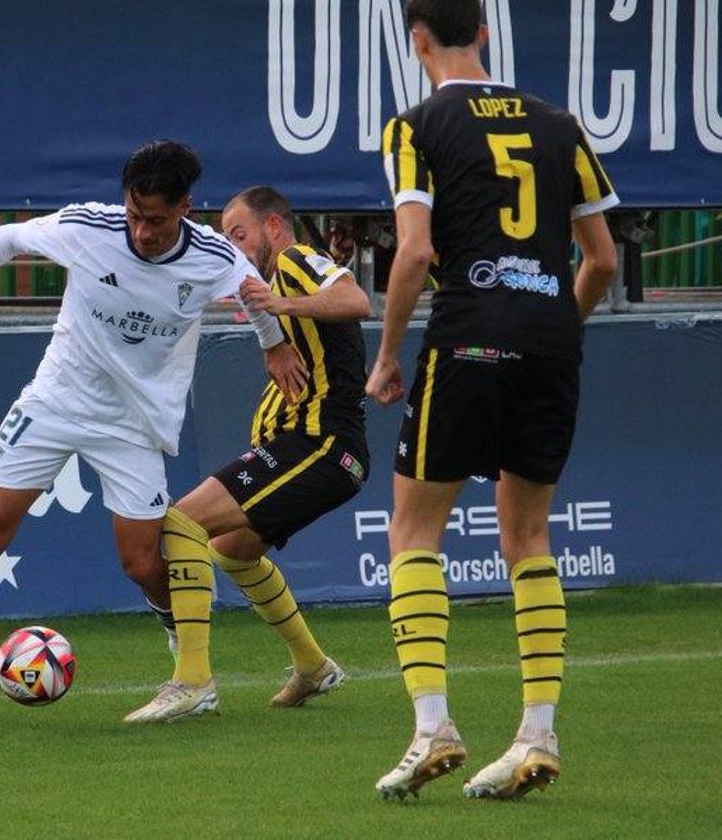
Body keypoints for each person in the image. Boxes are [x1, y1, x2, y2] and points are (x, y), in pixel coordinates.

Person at [0, 140, 306, 726]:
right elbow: (12, 238)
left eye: (156, 221)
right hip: (57, 401)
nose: (141, 231)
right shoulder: (90, 226)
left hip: (133, 424)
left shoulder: (214, 257)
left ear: (186, 207)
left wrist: (275, 345)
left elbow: (252, 293)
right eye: (135, 215)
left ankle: (186, 668)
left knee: (142, 564)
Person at [365, 0, 618, 800]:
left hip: (469, 333)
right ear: (483, 32)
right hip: (551, 339)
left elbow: (414, 251)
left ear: (416, 41)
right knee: (530, 535)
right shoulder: (559, 124)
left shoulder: (414, 127)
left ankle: (433, 724)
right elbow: (604, 261)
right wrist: (552, 329)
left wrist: (387, 354)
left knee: (413, 528)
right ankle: (538, 735)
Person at [125, 186, 372, 723]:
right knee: (234, 550)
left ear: (275, 228)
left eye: (240, 234)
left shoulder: (295, 260)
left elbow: (356, 301)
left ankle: (192, 680)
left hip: (321, 445)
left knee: (180, 523)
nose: (234, 247)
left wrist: (281, 303)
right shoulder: (270, 280)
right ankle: (313, 666)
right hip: (314, 449)